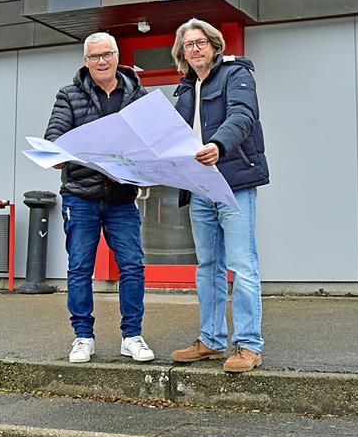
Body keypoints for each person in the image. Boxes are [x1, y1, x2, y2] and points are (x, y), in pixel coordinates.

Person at [44, 32, 154, 364]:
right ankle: (83, 337)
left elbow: (152, 140)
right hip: (81, 196)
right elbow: (54, 136)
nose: (102, 61)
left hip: (122, 197)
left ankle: (132, 336)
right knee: (80, 268)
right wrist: (58, 154)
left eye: (107, 54)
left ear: (117, 56)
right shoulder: (69, 95)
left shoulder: (138, 95)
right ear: (86, 61)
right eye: (94, 56)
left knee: (132, 266)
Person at [168, 19, 270, 373]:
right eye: (188, 45)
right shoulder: (184, 89)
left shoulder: (235, 73)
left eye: (201, 42)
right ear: (182, 53)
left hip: (233, 183)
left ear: (214, 45)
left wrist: (218, 144)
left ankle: (248, 345)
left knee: (241, 265)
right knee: (208, 266)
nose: (195, 49)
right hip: (198, 186)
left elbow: (243, 115)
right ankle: (211, 340)